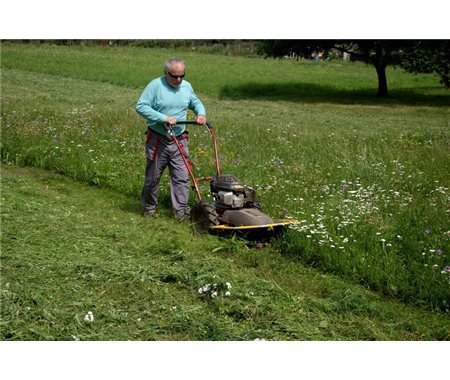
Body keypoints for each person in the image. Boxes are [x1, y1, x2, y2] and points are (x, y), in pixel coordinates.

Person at [136, 57, 207, 219]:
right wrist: (163, 118)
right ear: (166, 73)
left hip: (180, 139)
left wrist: (201, 114)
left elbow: (196, 102)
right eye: (175, 76)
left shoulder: (186, 87)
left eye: (182, 75)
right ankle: (149, 208)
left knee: (182, 177)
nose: (179, 79)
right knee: (153, 177)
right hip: (158, 138)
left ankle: (181, 213)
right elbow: (141, 106)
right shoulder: (155, 86)